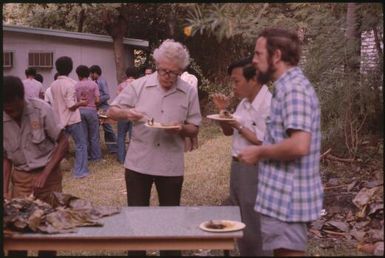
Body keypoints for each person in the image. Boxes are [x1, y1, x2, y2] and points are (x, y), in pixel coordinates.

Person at [108, 39, 201, 256]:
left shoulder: (188, 91)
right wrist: (127, 113)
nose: (167, 76)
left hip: (170, 164)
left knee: (170, 221)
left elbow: (194, 128)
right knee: (136, 219)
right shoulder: (140, 85)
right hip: (139, 162)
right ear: (157, 65)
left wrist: (180, 129)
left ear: (181, 71)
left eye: (173, 73)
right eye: (163, 71)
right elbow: (112, 110)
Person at [238, 28, 324, 256]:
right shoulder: (285, 87)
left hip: (289, 202)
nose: (254, 60)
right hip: (280, 201)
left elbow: (299, 145)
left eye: (258, 54)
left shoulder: (294, 90)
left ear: (276, 55)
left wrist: (259, 152)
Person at [212, 57, 272, 256]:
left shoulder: (268, 104)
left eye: (236, 81)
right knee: (239, 215)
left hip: (255, 168)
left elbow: (263, 142)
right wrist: (223, 113)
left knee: (253, 219)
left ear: (253, 79)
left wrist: (238, 125)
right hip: (237, 165)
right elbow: (229, 132)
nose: (233, 86)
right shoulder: (244, 104)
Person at [3, 75, 69, 257]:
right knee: (17, 233)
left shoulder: (41, 110)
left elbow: (63, 143)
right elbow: (5, 157)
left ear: (21, 98)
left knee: (48, 231)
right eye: (6, 110)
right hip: (21, 180)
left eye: (14, 109)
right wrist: (5, 190)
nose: (10, 113)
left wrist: (45, 174)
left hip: (48, 178)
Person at [50, 56, 90, 179]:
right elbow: (71, 106)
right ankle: (80, 171)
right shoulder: (70, 84)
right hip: (72, 120)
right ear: (71, 68)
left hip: (59, 120)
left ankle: (56, 169)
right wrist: (82, 103)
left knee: (60, 146)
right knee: (81, 145)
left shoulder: (53, 84)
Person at [75, 65, 102, 161]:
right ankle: (96, 157)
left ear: (78, 75)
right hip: (91, 110)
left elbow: (75, 100)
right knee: (94, 135)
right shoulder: (94, 84)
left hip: (80, 111)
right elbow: (98, 100)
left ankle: (87, 156)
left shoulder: (76, 85)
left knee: (84, 135)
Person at [89, 65, 118, 154]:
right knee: (94, 129)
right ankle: (95, 149)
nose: (90, 76)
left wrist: (97, 101)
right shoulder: (94, 82)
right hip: (96, 108)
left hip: (103, 108)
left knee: (107, 128)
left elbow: (107, 95)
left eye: (91, 74)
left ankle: (114, 148)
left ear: (95, 73)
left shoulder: (101, 81)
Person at [116, 67, 139, 164]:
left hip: (123, 112)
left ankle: (121, 158)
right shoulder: (139, 84)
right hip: (134, 113)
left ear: (126, 74)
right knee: (132, 137)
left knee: (121, 135)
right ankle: (131, 159)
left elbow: (118, 99)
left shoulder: (121, 85)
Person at [181, 66, 199, 152]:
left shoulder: (181, 79)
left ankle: (187, 148)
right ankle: (195, 146)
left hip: (184, 104)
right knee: (193, 126)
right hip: (194, 104)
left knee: (185, 128)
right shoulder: (194, 77)